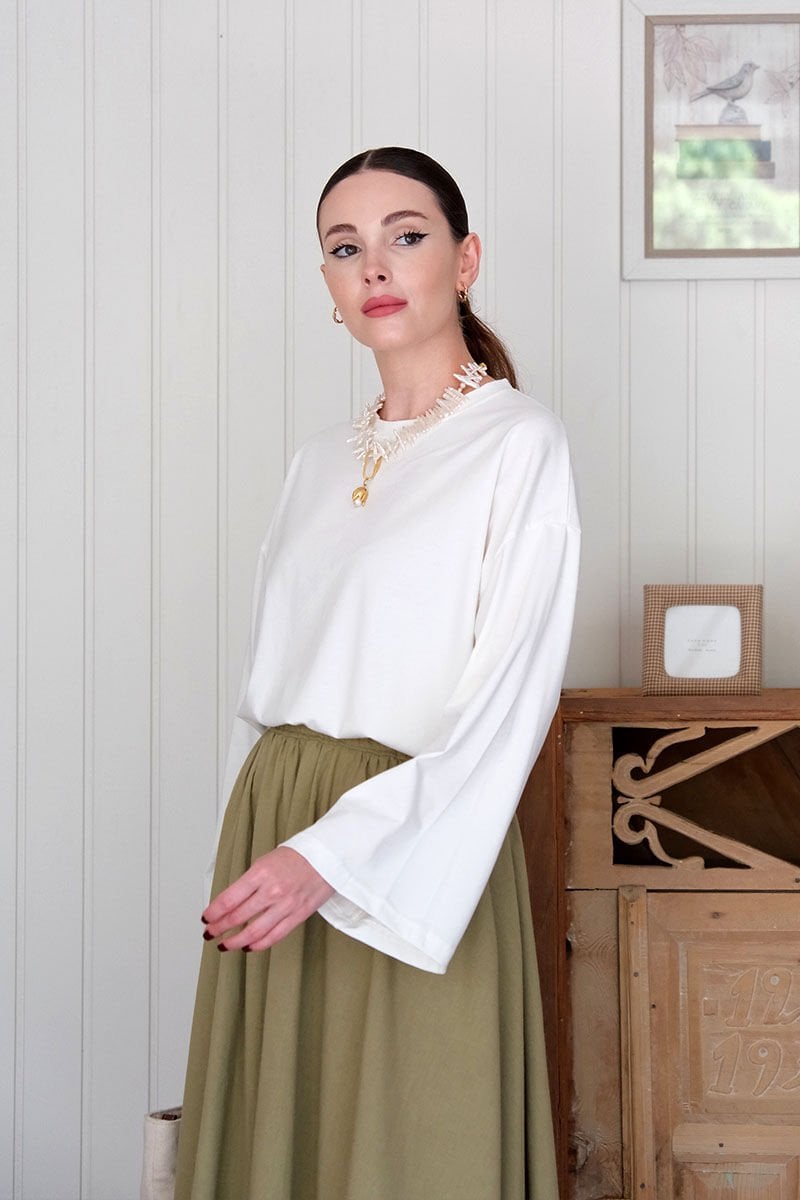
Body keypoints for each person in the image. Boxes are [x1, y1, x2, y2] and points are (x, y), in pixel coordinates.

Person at [174, 146, 580, 1200]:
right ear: (328, 285)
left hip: (414, 843)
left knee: (414, 1147)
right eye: (345, 248)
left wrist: (332, 857)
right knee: (282, 1142)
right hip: (276, 822)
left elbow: (506, 705)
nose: (376, 267)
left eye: (406, 235)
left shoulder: (517, 443)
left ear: (465, 259)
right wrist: (252, 845)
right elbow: (266, 684)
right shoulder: (314, 462)